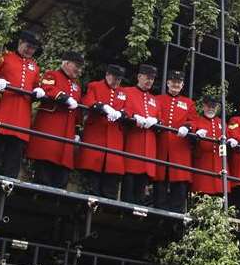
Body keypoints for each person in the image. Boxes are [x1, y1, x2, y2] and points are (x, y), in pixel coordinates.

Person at [0, 31, 44, 178]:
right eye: (28, 46)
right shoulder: (5, 57)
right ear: (20, 42)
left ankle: (5, 187)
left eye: (33, 48)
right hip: (1, 111)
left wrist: (38, 90)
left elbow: (36, 85)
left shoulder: (35, 67)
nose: (30, 50)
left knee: (13, 158)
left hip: (21, 118)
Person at [25, 50, 84, 189]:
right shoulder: (52, 74)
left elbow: (78, 111)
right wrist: (64, 97)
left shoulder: (77, 86)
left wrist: (76, 130)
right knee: (44, 172)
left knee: (61, 176)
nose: (79, 70)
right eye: (77, 66)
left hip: (66, 134)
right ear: (67, 63)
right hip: (50, 131)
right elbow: (48, 87)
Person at [77, 63, 128, 199]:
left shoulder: (123, 92)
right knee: (92, 180)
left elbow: (129, 109)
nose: (116, 81)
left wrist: (122, 113)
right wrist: (103, 107)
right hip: (96, 136)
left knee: (110, 182)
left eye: (119, 79)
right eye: (114, 77)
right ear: (107, 75)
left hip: (114, 140)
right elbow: (88, 100)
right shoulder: (95, 86)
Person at [154, 70, 197, 212]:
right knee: (160, 180)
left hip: (179, 149)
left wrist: (187, 126)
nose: (175, 85)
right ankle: (159, 210)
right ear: (167, 83)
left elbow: (193, 121)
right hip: (162, 146)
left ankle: (176, 213)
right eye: (173, 82)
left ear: (183, 85)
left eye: (178, 82)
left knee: (179, 182)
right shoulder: (158, 99)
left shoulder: (188, 103)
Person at [121, 63, 161, 205]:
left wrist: (155, 120)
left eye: (152, 78)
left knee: (141, 189)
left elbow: (159, 119)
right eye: (147, 77)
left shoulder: (154, 100)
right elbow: (121, 110)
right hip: (132, 144)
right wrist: (133, 116)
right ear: (139, 77)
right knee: (128, 183)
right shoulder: (126, 91)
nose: (149, 81)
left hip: (147, 150)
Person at [191, 95, 224, 196]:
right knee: (201, 193)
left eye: (213, 106)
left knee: (219, 196)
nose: (211, 109)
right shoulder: (197, 120)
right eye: (208, 106)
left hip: (219, 164)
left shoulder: (221, 122)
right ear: (204, 106)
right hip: (203, 163)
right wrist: (196, 133)